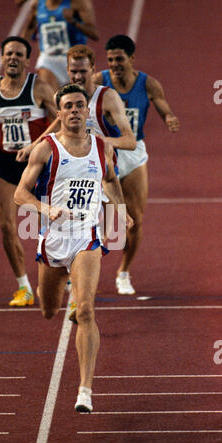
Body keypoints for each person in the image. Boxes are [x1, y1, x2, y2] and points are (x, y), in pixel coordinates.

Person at [14, 84, 133, 412]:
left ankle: (85, 390)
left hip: (87, 237)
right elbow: (20, 194)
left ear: (86, 109)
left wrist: (121, 213)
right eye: (69, 106)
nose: (76, 111)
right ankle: (63, 284)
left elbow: (110, 179)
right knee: (48, 309)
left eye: (80, 105)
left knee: (86, 310)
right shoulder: (46, 149)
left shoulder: (101, 147)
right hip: (53, 238)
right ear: (60, 111)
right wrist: (45, 209)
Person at [0, 36, 57, 307]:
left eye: (19, 54)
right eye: (9, 54)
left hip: (39, 162)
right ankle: (24, 288)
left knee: (54, 223)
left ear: (27, 60)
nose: (13, 58)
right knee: (7, 225)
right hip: (7, 163)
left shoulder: (38, 88)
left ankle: (61, 275)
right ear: (2, 57)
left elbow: (61, 120)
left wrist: (36, 145)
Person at [93, 34, 180, 295]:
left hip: (133, 152)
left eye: (119, 59)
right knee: (106, 222)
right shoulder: (99, 81)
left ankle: (124, 272)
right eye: (110, 60)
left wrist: (169, 118)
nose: (114, 64)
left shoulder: (148, 84)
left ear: (132, 58)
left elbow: (164, 106)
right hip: (106, 150)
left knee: (136, 219)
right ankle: (82, 268)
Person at [19, 0, 99, 92]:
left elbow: (94, 34)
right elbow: (30, 28)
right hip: (48, 60)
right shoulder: (38, 4)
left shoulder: (78, 3)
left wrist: (73, 21)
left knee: (82, 98)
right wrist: (19, 46)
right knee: (51, 100)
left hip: (75, 60)